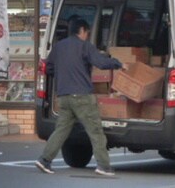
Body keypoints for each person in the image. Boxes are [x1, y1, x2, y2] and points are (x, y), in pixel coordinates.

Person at [35, 17, 123, 177]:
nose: (87, 36)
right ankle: (104, 166)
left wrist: (64, 75)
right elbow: (101, 63)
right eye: (87, 33)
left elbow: (48, 68)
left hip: (63, 96)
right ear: (82, 31)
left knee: (61, 130)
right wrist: (118, 63)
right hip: (82, 96)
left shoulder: (58, 47)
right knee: (95, 131)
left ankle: (44, 160)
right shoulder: (85, 46)